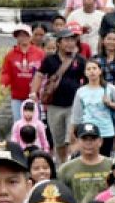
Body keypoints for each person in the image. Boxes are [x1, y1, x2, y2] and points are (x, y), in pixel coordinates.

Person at [35, 29, 89, 164]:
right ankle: (62, 164)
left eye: (73, 40)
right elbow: (39, 75)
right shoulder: (49, 60)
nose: (71, 43)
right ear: (58, 43)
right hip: (54, 106)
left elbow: (88, 78)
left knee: (70, 138)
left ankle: (71, 163)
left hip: (74, 106)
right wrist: (33, 93)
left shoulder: (80, 60)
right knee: (58, 140)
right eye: (67, 40)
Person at [69, 61, 115, 154]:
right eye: (88, 69)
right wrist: (72, 133)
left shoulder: (109, 88)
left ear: (100, 71)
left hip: (106, 130)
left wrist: (109, 103)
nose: (92, 71)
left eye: (94, 68)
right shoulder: (81, 91)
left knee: (105, 158)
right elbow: (76, 114)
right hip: (87, 131)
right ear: (85, 73)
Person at [58, 123, 114, 203]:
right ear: (77, 141)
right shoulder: (65, 169)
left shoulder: (112, 165)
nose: (88, 143)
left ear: (100, 141)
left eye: (93, 139)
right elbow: (62, 198)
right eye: (84, 139)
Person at [0, 25, 45, 123]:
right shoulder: (10, 55)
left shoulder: (40, 53)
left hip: (34, 97)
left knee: (34, 124)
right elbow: (6, 72)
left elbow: (44, 73)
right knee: (18, 123)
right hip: (17, 97)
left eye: (25, 35)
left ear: (30, 36)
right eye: (20, 35)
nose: (23, 38)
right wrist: (3, 84)